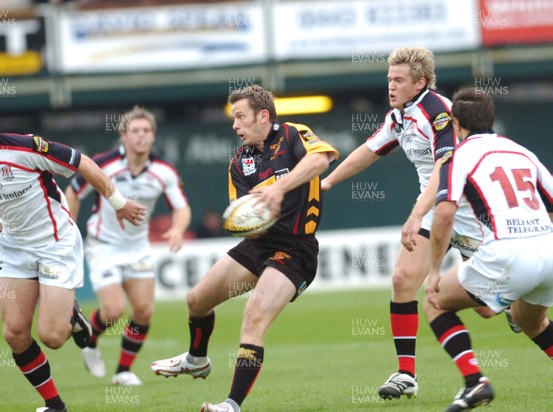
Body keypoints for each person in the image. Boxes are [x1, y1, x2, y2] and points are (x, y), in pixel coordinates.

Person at [150, 85, 339, 412]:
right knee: (196, 300)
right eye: (233, 118)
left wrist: (280, 189)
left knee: (253, 316)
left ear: (263, 116)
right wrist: (254, 217)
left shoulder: (294, 135)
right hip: (257, 246)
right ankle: (197, 359)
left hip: (295, 251)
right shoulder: (239, 162)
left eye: (241, 117)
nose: (235, 125)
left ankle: (231, 405)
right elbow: (242, 214)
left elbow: (321, 159)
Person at [0, 96, 146, 412]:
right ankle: (55, 406)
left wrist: (119, 203)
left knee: (53, 337)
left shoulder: (25, 147)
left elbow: (81, 162)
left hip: (55, 243)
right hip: (14, 247)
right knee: (14, 333)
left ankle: (71, 315)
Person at [321, 46, 489, 399]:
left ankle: (521, 310)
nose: (391, 87)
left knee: (487, 309)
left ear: (420, 83)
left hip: (467, 209)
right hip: (432, 208)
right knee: (401, 280)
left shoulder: (439, 111)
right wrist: (327, 183)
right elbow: (369, 150)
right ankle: (407, 374)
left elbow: (445, 167)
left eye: (398, 80)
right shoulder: (398, 117)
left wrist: (414, 214)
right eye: (389, 80)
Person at [424, 88, 553, 411]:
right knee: (531, 322)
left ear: (455, 122)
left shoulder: (458, 155)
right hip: (548, 250)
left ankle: (474, 382)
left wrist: (433, 270)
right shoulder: (520, 151)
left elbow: (443, 213)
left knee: (435, 302)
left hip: (508, 254)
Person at [65, 105, 191, 386]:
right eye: (135, 131)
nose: (142, 136)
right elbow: (73, 191)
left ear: (153, 137)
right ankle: (90, 339)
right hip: (103, 245)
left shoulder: (164, 171)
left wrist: (178, 229)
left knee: (144, 311)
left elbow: (182, 208)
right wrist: (69, 228)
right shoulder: (104, 163)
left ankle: (123, 370)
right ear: (123, 135)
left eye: (147, 131)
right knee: (113, 311)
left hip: (137, 248)